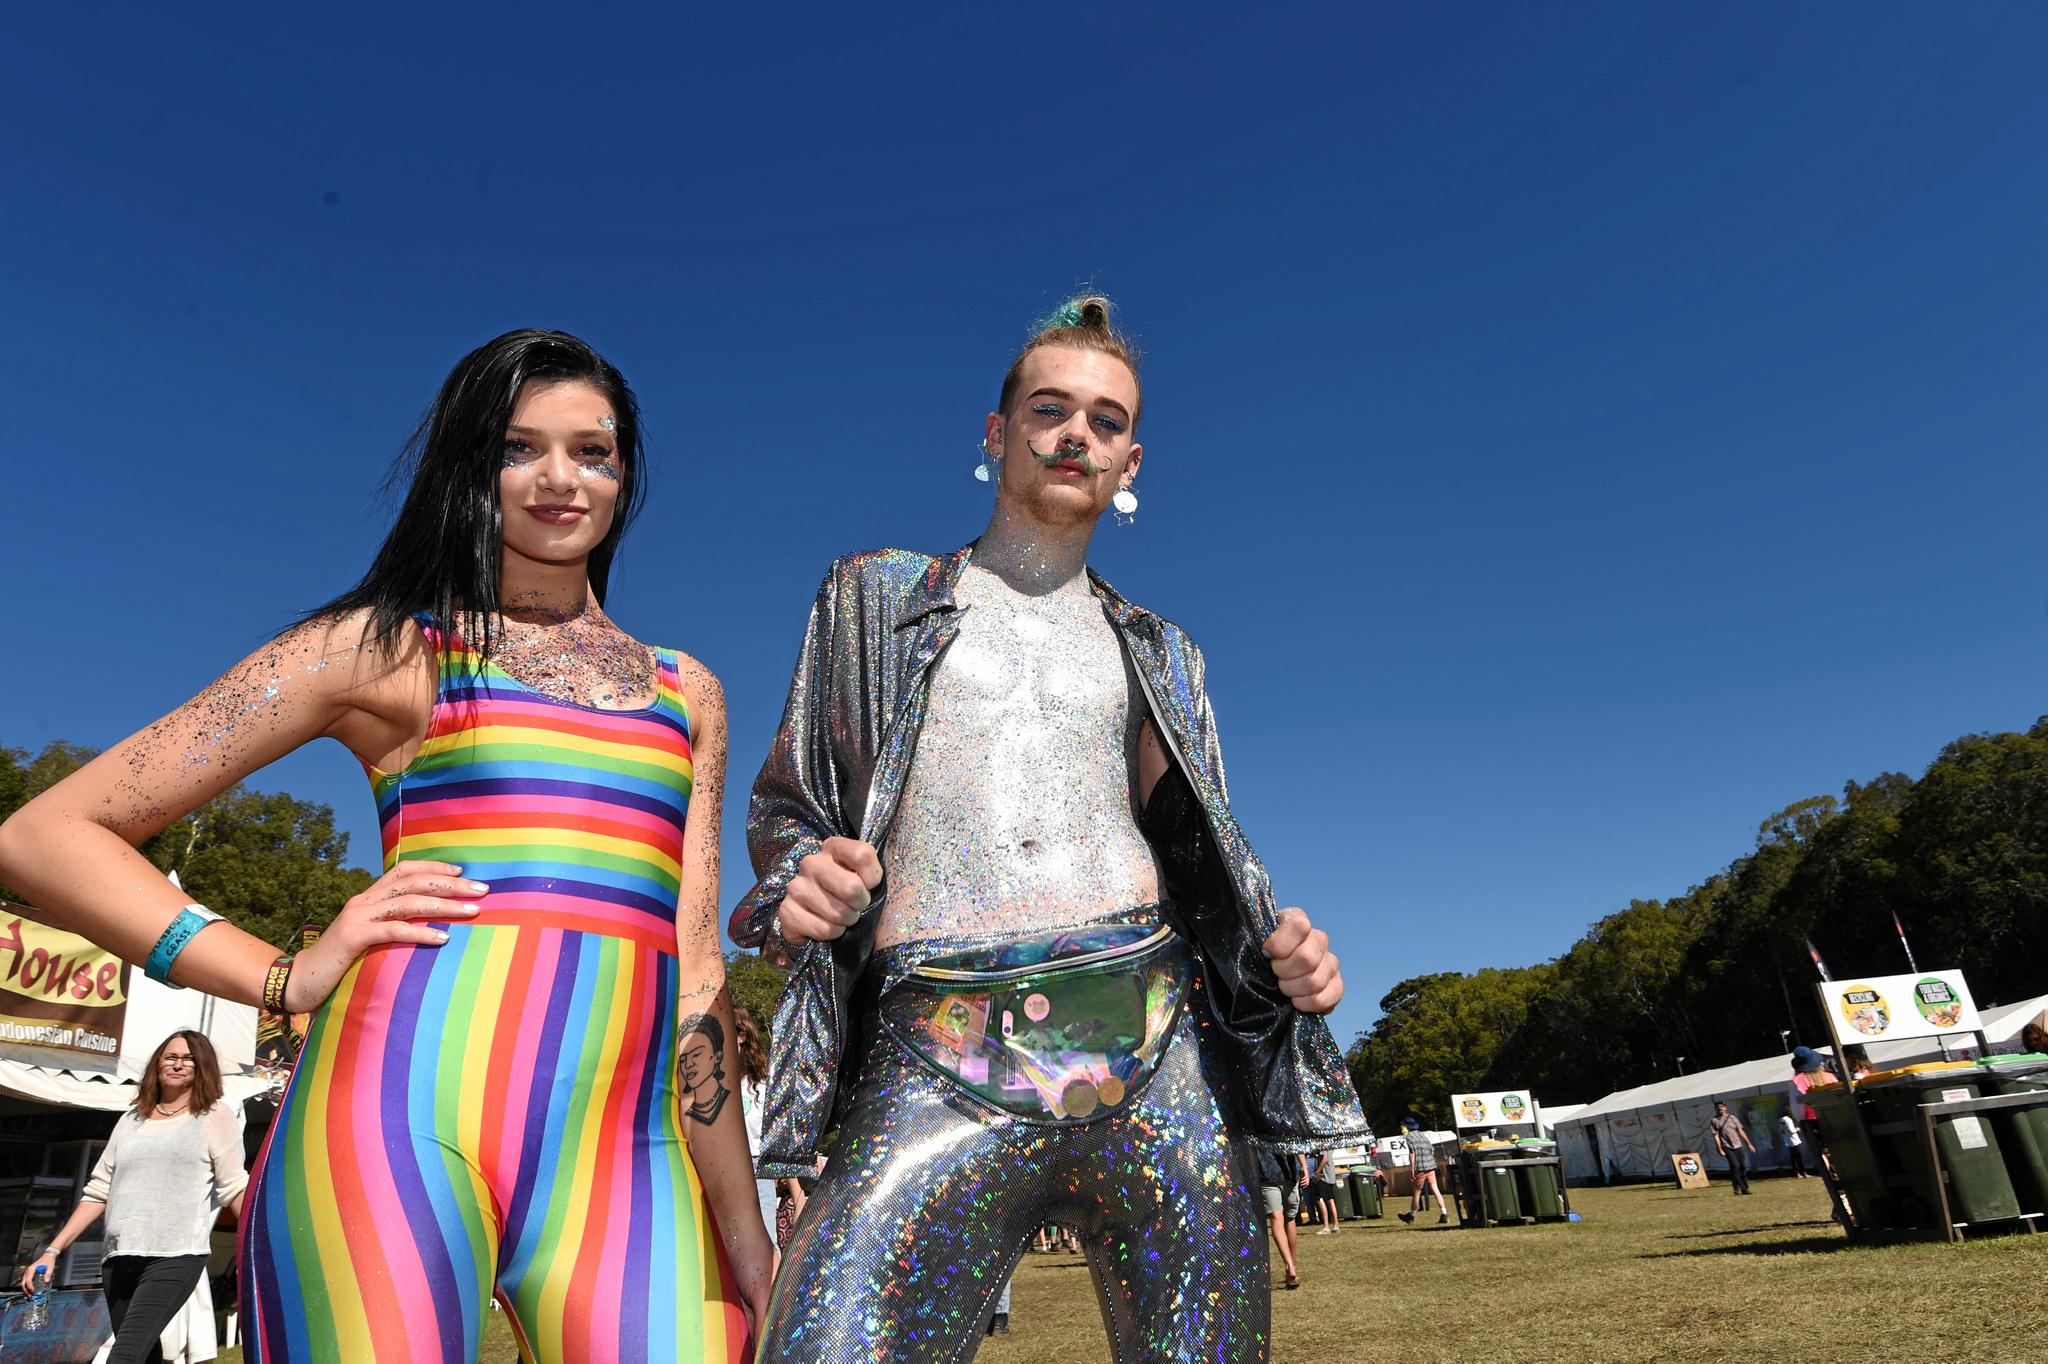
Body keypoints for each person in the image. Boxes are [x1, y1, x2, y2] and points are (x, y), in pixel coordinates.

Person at [0, 330, 770, 1362]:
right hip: (383, 1131)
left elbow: (697, 971)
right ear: (468, 465)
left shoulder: (690, 692)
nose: (559, 478)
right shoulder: (381, 649)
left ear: (624, 471)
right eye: (517, 447)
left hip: (626, 1156)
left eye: (593, 449)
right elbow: (46, 834)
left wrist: (743, 1227)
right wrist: (276, 975)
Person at [730, 295, 1366, 1360]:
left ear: (1130, 460)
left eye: (1105, 420)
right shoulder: (872, 596)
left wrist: (1279, 967)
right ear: (995, 433)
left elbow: (1208, 860)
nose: (1077, 433)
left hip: (1160, 1044)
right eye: (1049, 408)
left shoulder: (1164, 651)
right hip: (932, 1043)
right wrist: (799, 873)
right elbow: (789, 803)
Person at [20, 1032, 246, 1364]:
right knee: (145, 1355)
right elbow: (98, 1190)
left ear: (203, 1067)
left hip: (174, 1256)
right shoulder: (132, 1119)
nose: (178, 1064)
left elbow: (234, 1187)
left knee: (123, 1356)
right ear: (157, 1063)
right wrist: (52, 1251)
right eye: (170, 1057)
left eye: (188, 1058)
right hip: (118, 1257)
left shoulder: (214, 1116)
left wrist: (265, 1244)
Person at [733, 1006, 778, 1239]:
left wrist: (797, 1193)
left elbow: (776, 1137)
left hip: (758, 1168)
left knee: (767, 1240)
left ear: (742, 1036)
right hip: (726, 1169)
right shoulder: (710, 1084)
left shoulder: (762, 1084)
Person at [1256, 1144, 1307, 1290]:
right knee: (1290, 1218)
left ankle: (1289, 1266)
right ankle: (1292, 1267)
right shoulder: (1285, 1120)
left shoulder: (1253, 1121)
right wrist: (1303, 1165)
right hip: (1288, 1174)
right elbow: (1296, 1141)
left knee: (1276, 1218)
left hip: (1266, 1174)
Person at [1395, 1118, 1448, 1225]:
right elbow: (1431, 1149)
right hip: (1430, 1166)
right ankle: (1444, 1213)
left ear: (1407, 1127)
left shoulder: (1409, 1137)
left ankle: (1411, 1216)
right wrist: (1430, 1161)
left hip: (1420, 1167)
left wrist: (1412, 1170)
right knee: (1435, 1189)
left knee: (1417, 1192)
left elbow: (1412, 1154)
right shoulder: (1422, 1135)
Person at [1708, 1100, 1757, 1195]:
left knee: (1742, 1166)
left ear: (1725, 1108)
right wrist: (1719, 1148)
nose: (1720, 1108)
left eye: (1721, 1106)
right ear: (1715, 1109)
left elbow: (1740, 1131)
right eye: (1718, 1107)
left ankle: (1745, 1187)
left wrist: (1749, 1144)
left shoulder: (1732, 1118)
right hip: (1727, 1146)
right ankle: (1737, 1187)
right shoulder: (1714, 1121)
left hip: (1738, 1145)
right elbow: (1716, 1136)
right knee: (1735, 1166)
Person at [1311, 1150, 1343, 1233]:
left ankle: (1326, 1226)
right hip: (1330, 1175)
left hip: (1324, 1176)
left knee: (1319, 1199)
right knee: (1330, 1199)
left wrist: (1318, 1171)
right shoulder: (1328, 1145)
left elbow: (1325, 1159)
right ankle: (1336, 1225)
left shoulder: (1322, 1145)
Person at [1779, 1111, 1811, 1178]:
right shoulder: (1788, 1120)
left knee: (1793, 1158)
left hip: (1788, 1141)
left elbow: (1782, 1131)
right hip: (1794, 1140)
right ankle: (1803, 1172)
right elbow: (1792, 1130)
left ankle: (1796, 1173)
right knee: (1798, 1157)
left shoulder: (1781, 1120)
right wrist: (1798, 1129)